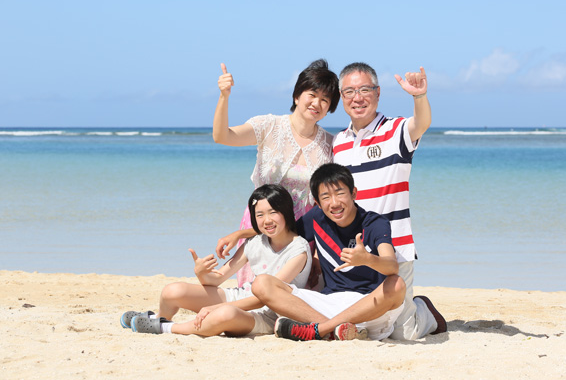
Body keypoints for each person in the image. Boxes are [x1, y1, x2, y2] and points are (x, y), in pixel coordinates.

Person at [332, 62, 446, 340]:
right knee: (367, 318)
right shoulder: (338, 143)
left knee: (403, 334)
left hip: (396, 250)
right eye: (349, 91)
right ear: (341, 97)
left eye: (364, 89)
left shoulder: (396, 131)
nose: (357, 97)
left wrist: (419, 96)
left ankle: (424, 309)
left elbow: (422, 124)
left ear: (378, 93)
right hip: (356, 250)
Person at [119, 184, 312, 337]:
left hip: (268, 314)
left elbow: (265, 298)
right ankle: (158, 318)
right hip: (239, 298)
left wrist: (217, 307)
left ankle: (166, 327)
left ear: (286, 212)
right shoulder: (255, 242)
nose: (266, 220)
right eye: (259, 215)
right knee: (172, 291)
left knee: (224, 314)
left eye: (272, 212)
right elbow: (217, 279)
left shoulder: (298, 250)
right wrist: (201, 273)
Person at [213, 59, 339, 287]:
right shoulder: (269, 126)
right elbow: (223, 136)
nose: (317, 103)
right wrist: (224, 96)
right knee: (252, 295)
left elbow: (326, 205)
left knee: (289, 299)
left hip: (301, 237)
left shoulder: (331, 145)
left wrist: (319, 256)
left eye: (325, 99)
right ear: (297, 96)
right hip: (260, 226)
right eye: (312, 94)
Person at [250, 163, 406, 341]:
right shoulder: (316, 218)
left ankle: (322, 329)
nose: (334, 203)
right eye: (326, 197)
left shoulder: (374, 223)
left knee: (397, 284)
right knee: (261, 283)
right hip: (327, 305)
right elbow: (281, 231)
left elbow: (392, 266)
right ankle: (334, 330)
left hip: (369, 307)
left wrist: (368, 259)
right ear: (316, 202)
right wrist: (240, 234)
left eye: (340, 193)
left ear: (353, 193)